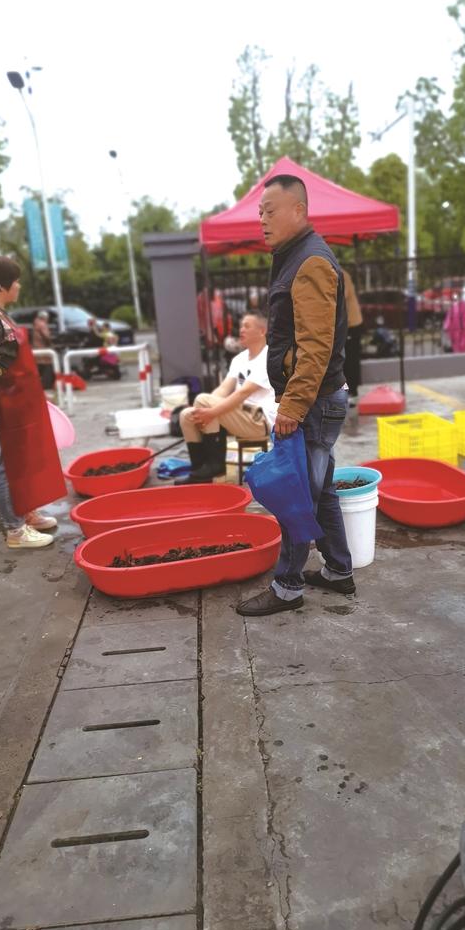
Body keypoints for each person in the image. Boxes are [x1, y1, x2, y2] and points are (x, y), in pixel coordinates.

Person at [237, 174, 354, 617]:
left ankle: (287, 588)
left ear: (299, 210)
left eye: (270, 211)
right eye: (260, 212)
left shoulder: (311, 262)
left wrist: (293, 405)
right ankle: (339, 571)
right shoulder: (294, 257)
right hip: (316, 401)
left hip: (314, 402)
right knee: (319, 492)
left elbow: (316, 346)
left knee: (295, 495)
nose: (262, 220)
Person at [0, 257, 67, 549]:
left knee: (23, 459)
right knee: (9, 462)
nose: (19, 286)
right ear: (2, 286)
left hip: (19, 398)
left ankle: (25, 512)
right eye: (16, 281)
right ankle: (14, 529)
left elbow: (2, 361)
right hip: (6, 400)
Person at [176, 311, 276, 484]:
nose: (241, 330)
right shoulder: (239, 359)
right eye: (241, 326)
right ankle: (200, 471)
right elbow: (223, 389)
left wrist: (210, 410)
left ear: (262, 331)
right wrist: (202, 410)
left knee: (203, 402)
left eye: (247, 326)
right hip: (239, 414)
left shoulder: (268, 358)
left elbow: (243, 393)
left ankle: (216, 467)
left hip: (259, 419)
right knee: (187, 415)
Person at [342, 269, 364, 412]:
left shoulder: (340, 274)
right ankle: (347, 392)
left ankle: (353, 393)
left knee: (350, 360)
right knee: (344, 360)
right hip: (343, 325)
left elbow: (340, 296)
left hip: (351, 324)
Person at [32, 309, 55, 390]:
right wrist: (51, 343)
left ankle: (36, 383)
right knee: (48, 365)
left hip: (36, 347)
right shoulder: (42, 324)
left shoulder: (36, 323)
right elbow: (46, 336)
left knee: (39, 366)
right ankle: (46, 384)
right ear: (45, 317)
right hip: (43, 348)